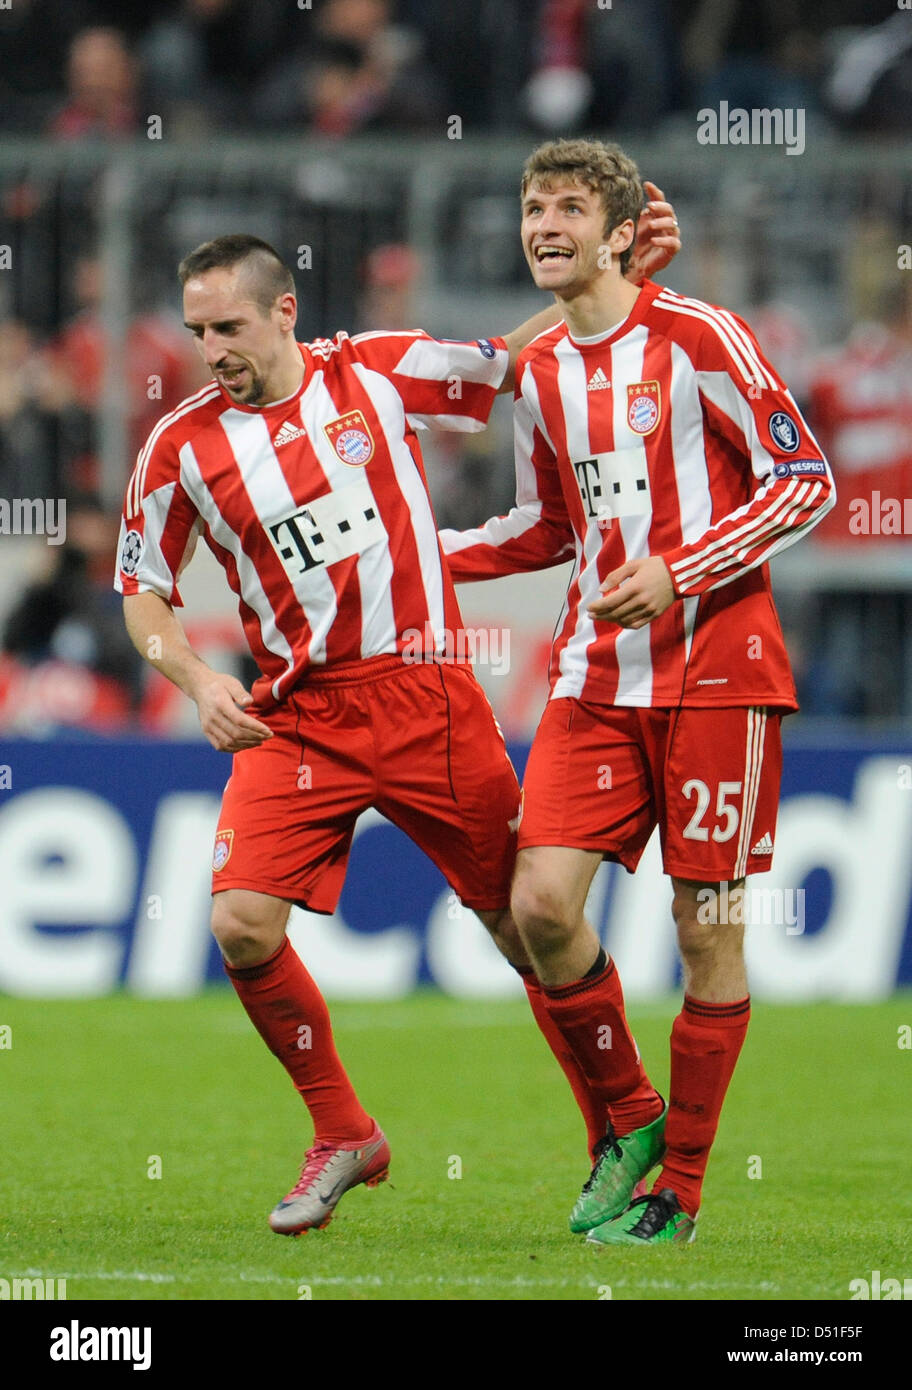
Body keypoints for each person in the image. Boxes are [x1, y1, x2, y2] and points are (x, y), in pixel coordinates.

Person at [115, 213, 680, 1236]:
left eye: (229, 326)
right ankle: (345, 1131)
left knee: (524, 926)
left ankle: (627, 1120)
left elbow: (506, 362)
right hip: (298, 719)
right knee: (240, 924)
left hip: (427, 700)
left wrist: (610, 270)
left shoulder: (373, 371)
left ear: (284, 311)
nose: (212, 350)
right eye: (197, 332)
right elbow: (142, 592)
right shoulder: (179, 447)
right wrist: (195, 679)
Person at [440, 137, 835, 1245]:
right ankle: (630, 1116)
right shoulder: (543, 374)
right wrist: (422, 556)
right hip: (595, 676)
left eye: (569, 207)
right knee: (538, 905)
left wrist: (680, 570)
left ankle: (683, 1190)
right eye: (533, 207)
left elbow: (804, 480)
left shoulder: (701, 337)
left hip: (717, 673)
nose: (544, 225)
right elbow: (544, 527)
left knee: (707, 929)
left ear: (622, 233)